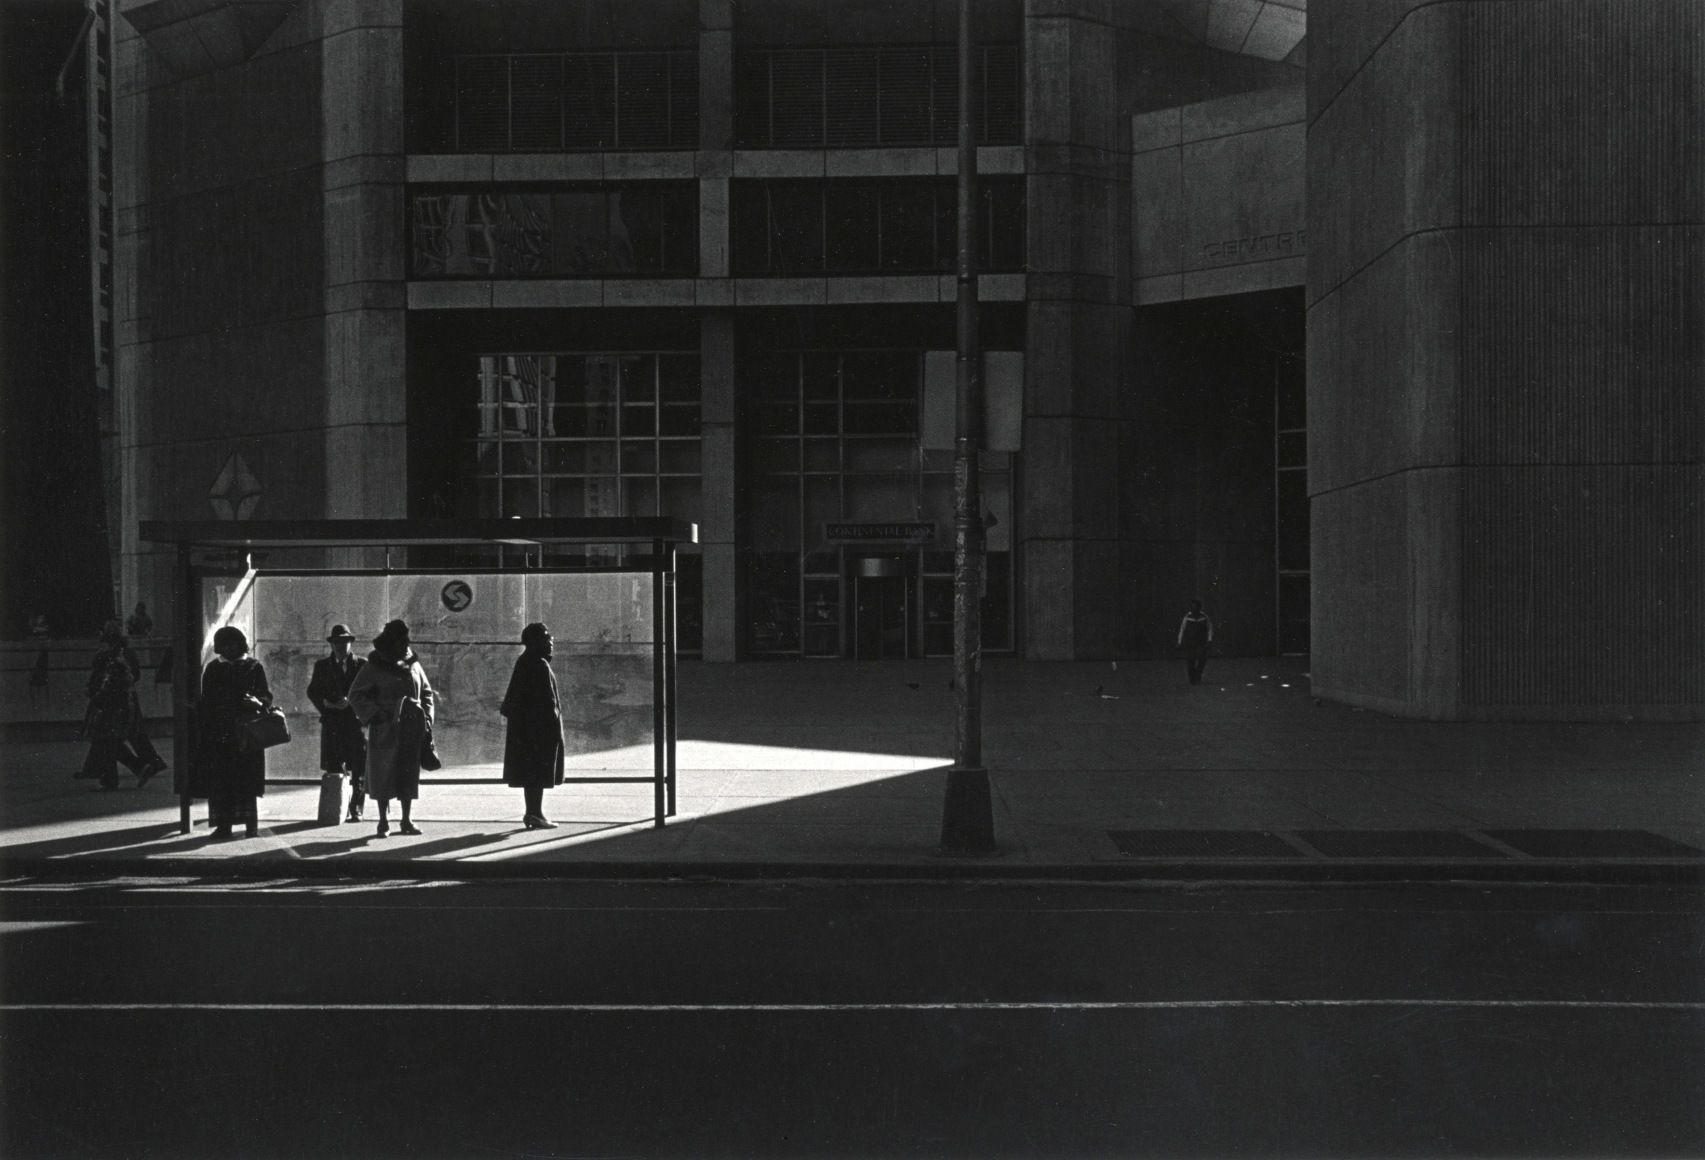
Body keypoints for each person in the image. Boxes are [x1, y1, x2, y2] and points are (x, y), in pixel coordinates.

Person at [348, 619, 434, 839]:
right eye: (401, 641)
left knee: (408, 774)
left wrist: (426, 719)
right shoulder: (374, 665)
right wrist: (376, 715)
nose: (406, 645)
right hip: (384, 728)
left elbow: (426, 692)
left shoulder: (412, 662)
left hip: (410, 730)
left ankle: (406, 820)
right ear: (390, 642)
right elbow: (356, 694)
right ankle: (383, 822)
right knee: (382, 775)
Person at [197, 625, 271, 838]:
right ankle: (224, 826)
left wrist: (258, 702)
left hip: (245, 733)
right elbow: (206, 700)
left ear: (240, 645)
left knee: (245, 781)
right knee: (224, 781)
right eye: (224, 644)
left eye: (232, 644)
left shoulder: (253, 667)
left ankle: (249, 826)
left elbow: (266, 695)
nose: (228, 649)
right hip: (222, 734)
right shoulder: (213, 668)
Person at [80, 619, 167, 789]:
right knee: (121, 739)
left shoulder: (109, 659)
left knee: (106, 741)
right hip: (125, 702)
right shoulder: (125, 656)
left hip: (109, 706)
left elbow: (104, 683)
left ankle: (116, 775)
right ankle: (142, 766)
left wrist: (94, 695)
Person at [500, 622, 565, 830]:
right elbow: (548, 702)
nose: (551, 641)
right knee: (538, 772)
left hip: (526, 731)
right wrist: (554, 730)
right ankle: (535, 814)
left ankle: (532, 813)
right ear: (535, 641)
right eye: (546, 637)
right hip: (539, 732)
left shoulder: (524, 661)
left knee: (531, 773)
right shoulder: (539, 664)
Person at [307, 623, 368, 823]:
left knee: (358, 767)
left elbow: (371, 692)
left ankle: (356, 808)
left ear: (351, 643)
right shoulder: (322, 666)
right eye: (337, 643)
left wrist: (350, 702)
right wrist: (324, 703)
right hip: (332, 724)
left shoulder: (362, 665)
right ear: (331, 645)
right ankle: (335, 807)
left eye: (344, 642)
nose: (340, 647)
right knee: (334, 768)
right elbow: (313, 691)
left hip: (354, 723)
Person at [1177, 599, 1214, 685]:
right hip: (1190, 642)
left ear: (1199, 608)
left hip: (1201, 642)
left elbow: (1210, 628)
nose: (1194, 609)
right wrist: (1179, 642)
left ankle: (1198, 674)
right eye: (1192, 607)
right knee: (1191, 661)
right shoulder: (1187, 617)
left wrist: (1209, 640)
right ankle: (1192, 679)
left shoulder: (1204, 617)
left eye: (1196, 607)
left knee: (1203, 659)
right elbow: (1182, 630)